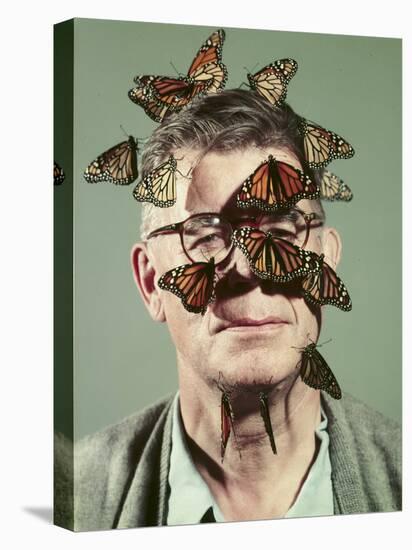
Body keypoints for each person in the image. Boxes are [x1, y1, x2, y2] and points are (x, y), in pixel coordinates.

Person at [55, 90, 401, 531]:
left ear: (327, 263)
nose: (249, 269)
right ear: (150, 283)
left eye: (281, 229)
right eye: (205, 237)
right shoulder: (71, 502)